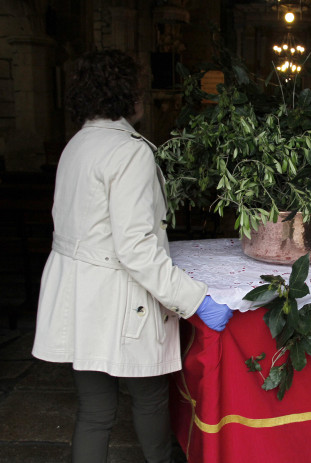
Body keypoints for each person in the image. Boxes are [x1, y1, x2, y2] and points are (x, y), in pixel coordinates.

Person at [31, 49, 232, 463]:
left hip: (77, 292)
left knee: (95, 410)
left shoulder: (77, 145)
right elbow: (136, 249)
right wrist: (194, 299)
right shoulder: (130, 151)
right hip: (120, 297)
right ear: (127, 96)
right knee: (150, 397)